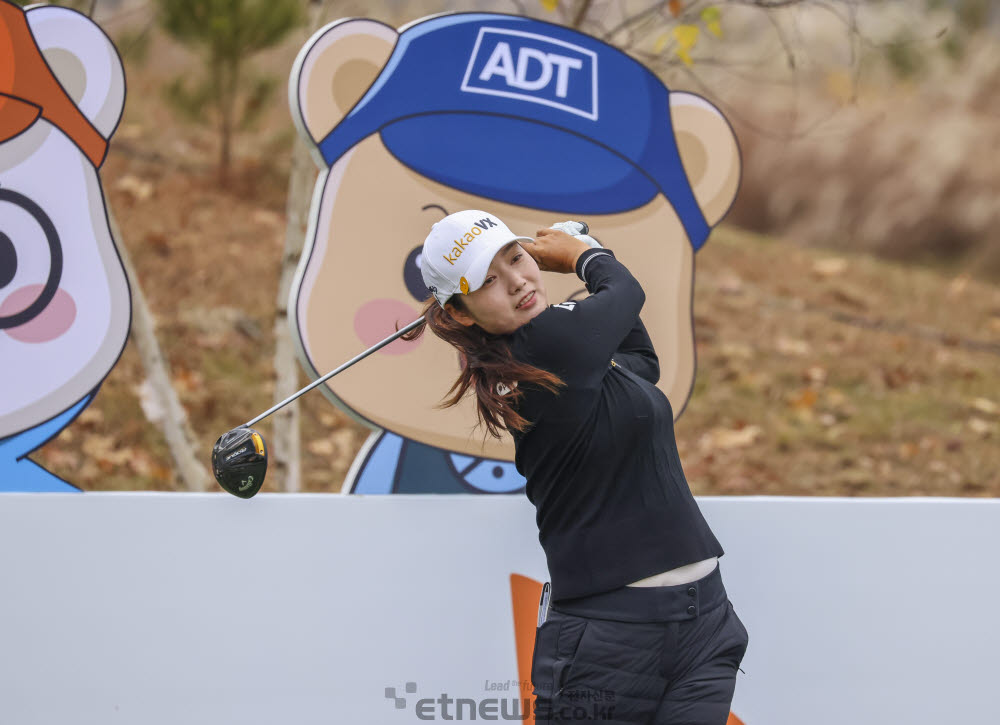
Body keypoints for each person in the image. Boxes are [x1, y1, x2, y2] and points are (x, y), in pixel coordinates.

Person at [403, 209, 749, 724]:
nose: (518, 281)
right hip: (608, 640)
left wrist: (587, 257)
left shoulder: (564, 349)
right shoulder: (540, 344)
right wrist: (583, 255)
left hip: (703, 622)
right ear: (462, 314)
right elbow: (624, 292)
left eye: (516, 257)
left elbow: (640, 362)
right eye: (489, 281)